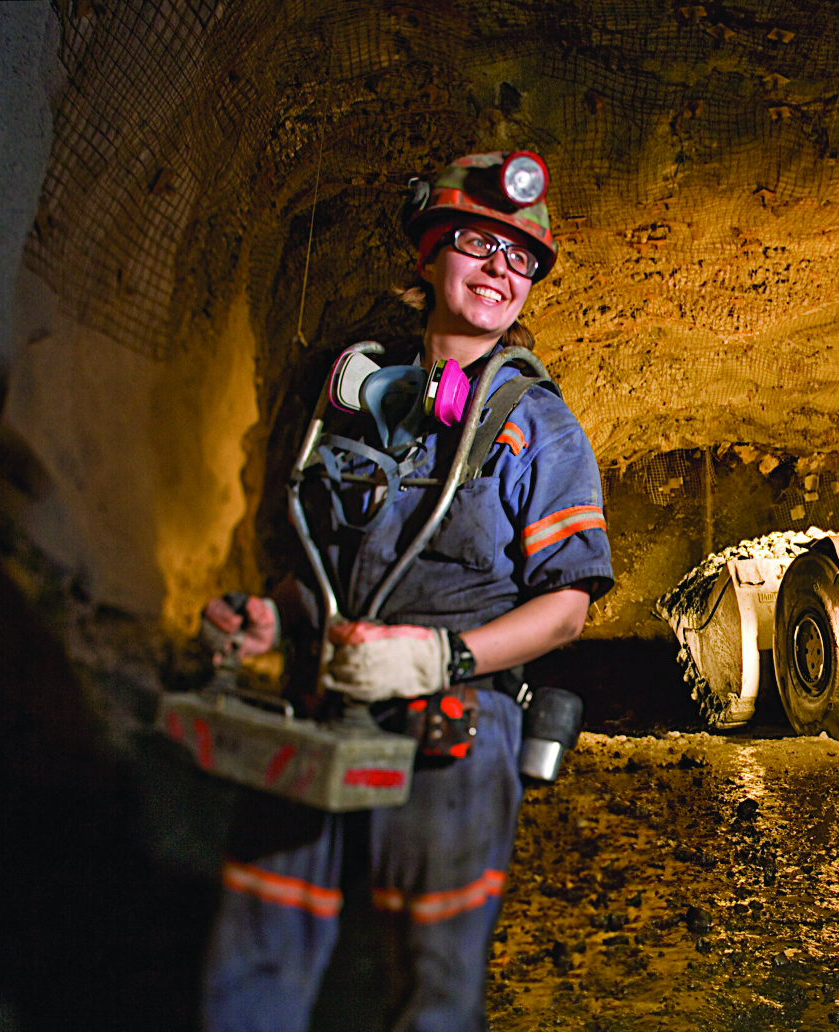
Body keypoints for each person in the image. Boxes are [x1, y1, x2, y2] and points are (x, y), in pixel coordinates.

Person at [198, 151, 613, 1032]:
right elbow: (321, 559)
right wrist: (272, 618)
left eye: (522, 259)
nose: (501, 269)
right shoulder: (355, 400)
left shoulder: (538, 426)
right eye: (478, 242)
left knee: (430, 990)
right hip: (325, 709)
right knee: (257, 957)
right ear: (428, 256)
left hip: (451, 737)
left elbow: (567, 606)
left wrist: (439, 655)